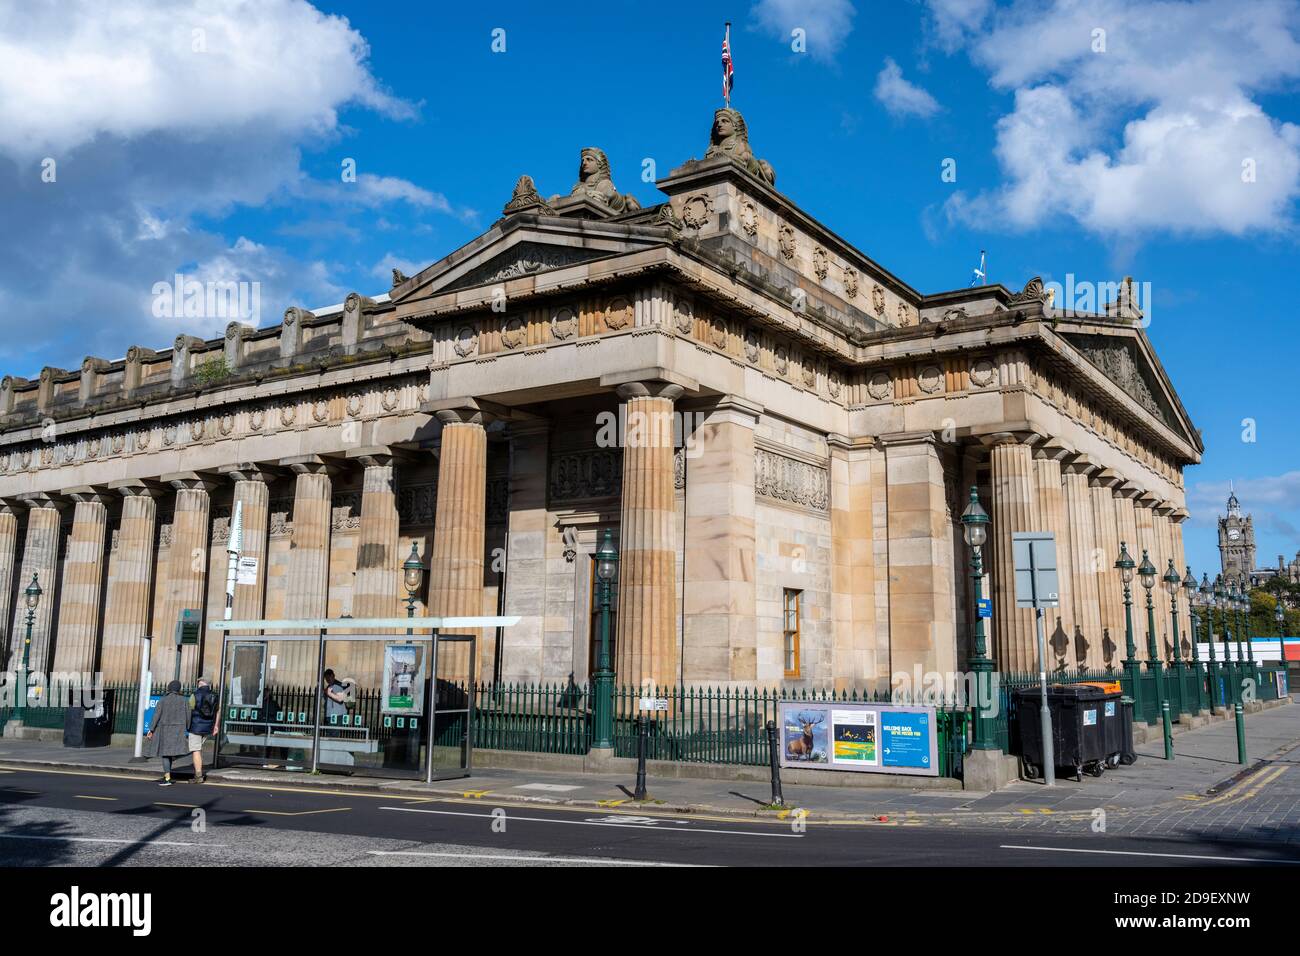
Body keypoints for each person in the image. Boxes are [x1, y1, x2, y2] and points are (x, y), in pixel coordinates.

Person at [145, 680, 192, 787]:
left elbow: (156, 715)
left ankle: (167, 778)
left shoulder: (163, 700)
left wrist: (151, 729)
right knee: (174, 752)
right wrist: (188, 727)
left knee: (166, 754)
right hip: (179, 730)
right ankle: (168, 776)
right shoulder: (184, 700)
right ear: (179, 689)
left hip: (164, 729)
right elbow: (188, 715)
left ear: (169, 688)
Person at [186, 677, 219, 784]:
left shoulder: (194, 695)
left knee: (196, 750)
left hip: (196, 727)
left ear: (200, 684)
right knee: (199, 750)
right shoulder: (215, 695)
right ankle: (198, 772)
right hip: (208, 727)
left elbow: (189, 710)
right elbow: (218, 711)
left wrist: (187, 725)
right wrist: (216, 726)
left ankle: (198, 776)